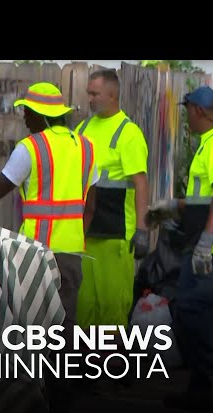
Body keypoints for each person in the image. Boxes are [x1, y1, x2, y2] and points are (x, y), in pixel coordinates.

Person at [0, 81, 98, 357]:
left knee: (33, 330)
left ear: (43, 116)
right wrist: (76, 241)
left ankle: (36, 394)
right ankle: (64, 395)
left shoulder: (30, 148)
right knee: (65, 329)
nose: (24, 117)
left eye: (29, 112)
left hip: (36, 256)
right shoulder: (86, 148)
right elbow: (91, 206)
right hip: (72, 256)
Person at [147, 85, 213, 411]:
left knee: (189, 309)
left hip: (208, 248)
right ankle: (202, 387)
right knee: (207, 310)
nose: (186, 116)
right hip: (202, 242)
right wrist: (173, 207)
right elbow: (204, 199)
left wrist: (206, 240)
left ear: (199, 111)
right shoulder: (209, 144)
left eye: (187, 110)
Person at [75, 69, 150, 331]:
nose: (90, 99)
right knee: (84, 306)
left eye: (95, 94)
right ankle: (86, 365)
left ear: (112, 95)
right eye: (89, 94)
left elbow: (140, 183)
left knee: (112, 307)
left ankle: (112, 366)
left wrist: (142, 230)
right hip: (86, 232)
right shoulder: (82, 128)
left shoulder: (128, 133)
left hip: (116, 234)